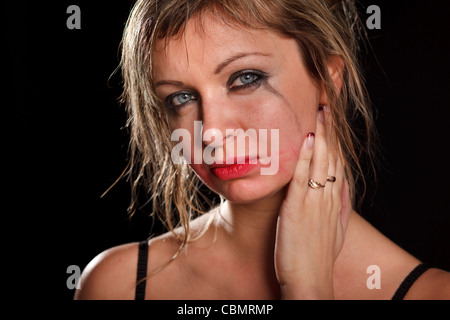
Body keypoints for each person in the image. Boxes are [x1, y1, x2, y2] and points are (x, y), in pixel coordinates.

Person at [74, 0, 450, 300]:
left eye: (246, 79)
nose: (212, 133)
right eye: (182, 97)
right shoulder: (117, 286)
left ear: (326, 80)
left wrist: (307, 288)